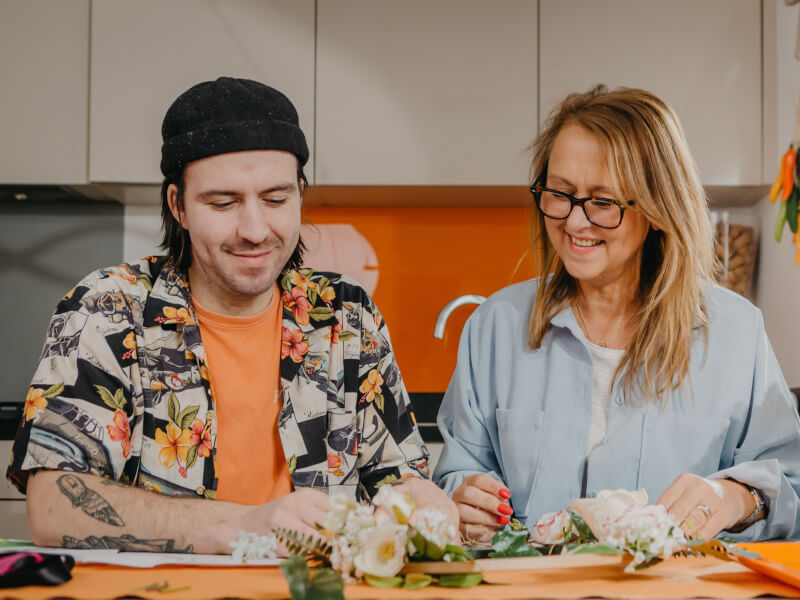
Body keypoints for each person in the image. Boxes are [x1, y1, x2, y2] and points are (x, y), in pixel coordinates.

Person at [7, 76, 454, 554]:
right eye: (223, 203)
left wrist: (417, 502)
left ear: (301, 193)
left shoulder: (346, 314)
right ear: (178, 206)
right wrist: (243, 524)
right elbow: (54, 506)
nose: (255, 229)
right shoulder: (108, 308)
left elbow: (398, 481)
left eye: (277, 199)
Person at [433, 85, 800, 544]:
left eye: (603, 202)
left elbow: (792, 492)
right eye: (560, 193)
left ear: (658, 207)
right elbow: (454, 479)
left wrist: (735, 498)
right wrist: (463, 500)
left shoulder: (737, 334)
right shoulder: (494, 327)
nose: (574, 221)